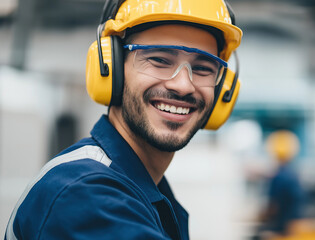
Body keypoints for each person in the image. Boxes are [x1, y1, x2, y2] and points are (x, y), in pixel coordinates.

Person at [5, 0, 242, 239]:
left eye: (203, 68)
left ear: (222, 89)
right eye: (159, 60)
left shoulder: (142, 189)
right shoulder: (84, 192)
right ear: (111, 66)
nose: (183, 86)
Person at [255, 130, 310, 239]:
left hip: (282, 229)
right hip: (294, 229)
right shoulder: (294, 175)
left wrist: (259, 217)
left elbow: (272, 207)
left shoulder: (278, 177)